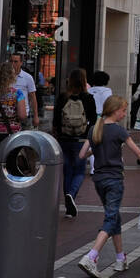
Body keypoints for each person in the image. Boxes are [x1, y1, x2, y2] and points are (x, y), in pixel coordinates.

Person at [77, 96, 140, 278]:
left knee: (114, 216)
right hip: (114, 179)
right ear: (115, 111)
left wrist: (97, 148)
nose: (124, 114)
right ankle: (92, 256)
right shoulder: (118, 131)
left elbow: (83, 154)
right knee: (111, 218)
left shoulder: (94, 129)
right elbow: (138, 152)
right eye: (123, 110)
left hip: (99, 180)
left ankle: (121, 258)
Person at [52, 69, 97, 218]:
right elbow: (93, 121)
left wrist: (57, 133)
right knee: (79, 171)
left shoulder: (63, 98)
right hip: (81, 140)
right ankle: (71, 194)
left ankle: (68, 204)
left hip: (64, 139)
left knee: (67, 171)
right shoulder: (88, 98)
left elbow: (56, 119)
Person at [8, 52, 39, 129]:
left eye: (15, 62)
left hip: (23, 116)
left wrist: (36, 116)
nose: (13, 64)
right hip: (8, 116)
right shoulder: (5, 77)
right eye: (11, 61)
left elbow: (33, 98)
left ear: (21, 63)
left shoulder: (27, 77)